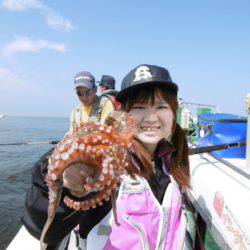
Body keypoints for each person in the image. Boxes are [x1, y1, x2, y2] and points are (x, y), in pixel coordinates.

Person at [21, 64, 190, 249]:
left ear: (173, 112)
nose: (151, 117)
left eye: (161, 106)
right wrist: (67, 183)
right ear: (125, 115)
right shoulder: (110, 164)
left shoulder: (172, 160)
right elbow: (47, 228)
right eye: (140, 107)